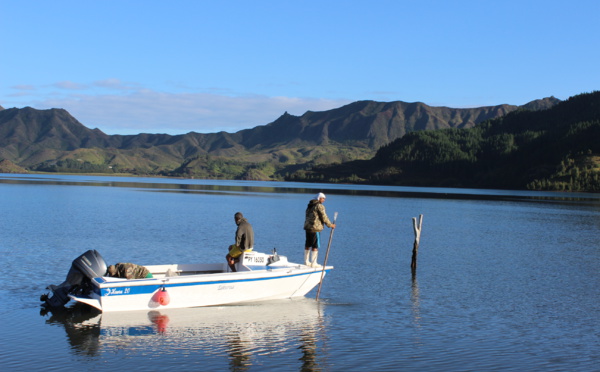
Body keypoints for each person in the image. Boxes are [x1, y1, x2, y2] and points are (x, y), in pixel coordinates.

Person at [304, 192, 336, 267]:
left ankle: (306, 261)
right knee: (315, 245)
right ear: (319, 198)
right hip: (315, 228)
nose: (324, 200)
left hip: (308, 227)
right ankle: (314, 263)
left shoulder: (310, 205)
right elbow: (324, 217)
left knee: (308, 244)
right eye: (323, 198)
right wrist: (330, 225)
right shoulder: (319, 206)